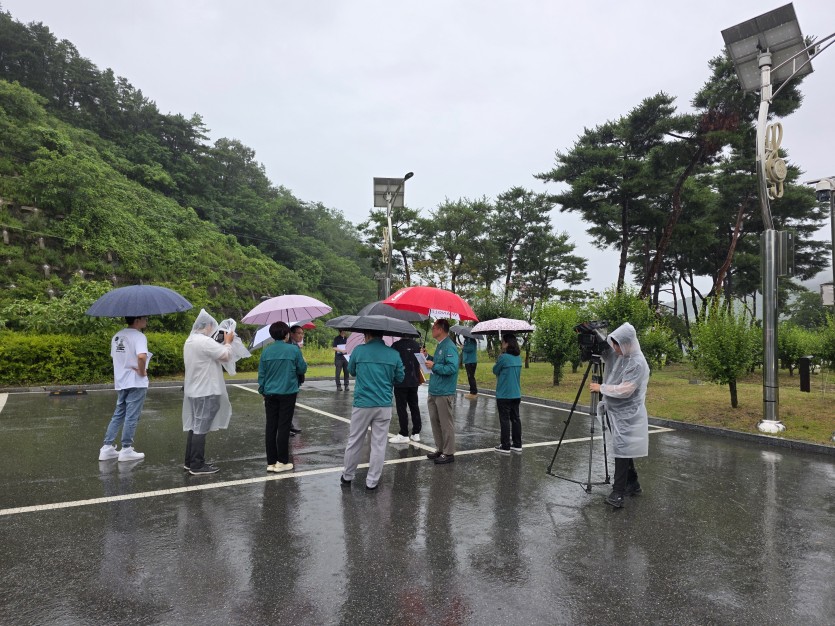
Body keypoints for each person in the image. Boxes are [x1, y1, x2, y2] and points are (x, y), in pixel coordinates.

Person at [589, 322, 650, 509]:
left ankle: (618, 493)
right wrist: (594, 335)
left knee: (622, 450)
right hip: (615, 411)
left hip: (627, 414)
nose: (614, 349)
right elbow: (607, 355)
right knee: (624, 447)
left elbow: (626, 390)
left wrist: (601, 388)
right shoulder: (622, 355)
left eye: (617, 345)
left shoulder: (637, 362)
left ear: (627, 342)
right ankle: (633, 483)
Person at [340, 330, 404, 490]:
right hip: (383, 404)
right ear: (382, 336)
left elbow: (352, 371)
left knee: (355, 440)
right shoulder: (394, 354)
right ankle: (372, 481)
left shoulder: (359, 350)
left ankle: (347, 476)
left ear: (367, 335)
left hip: (362, 403)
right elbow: (400, 378)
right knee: (379, 444)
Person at [182, 309, 234, 475]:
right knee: (201, 427)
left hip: (194, 390)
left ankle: (190, 461)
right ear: (208, 326)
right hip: (206, 390)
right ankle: (197, 465)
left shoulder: (190, 340)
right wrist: (228, 342)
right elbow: (225, 355)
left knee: (195, 425)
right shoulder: (204, 341)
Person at [98, 316, 150, 462]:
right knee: (132, 416)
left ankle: (107, 448)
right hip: (136, 381)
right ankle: (126, 449)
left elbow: (116, 357)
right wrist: (142, 371)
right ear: (137, 320)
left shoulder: (117, 336)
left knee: (119, 414)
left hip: (121, 381)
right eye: (145, 318)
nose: (146, 321)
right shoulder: (139, 336)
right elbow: (141, 357)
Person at [258, 321, 308, 473]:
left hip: (270, 393)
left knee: (271, 426)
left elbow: (262, 374)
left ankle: (271, 462)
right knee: (284, 427)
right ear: (287, 334)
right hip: (288, 392)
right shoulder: (293, 350)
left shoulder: (266, 351)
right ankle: (282, 461)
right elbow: (302, 369)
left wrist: (263, 390)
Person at [421, 319, 459, 465]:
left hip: (444, 391)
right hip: (434, 389)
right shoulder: (440, 345)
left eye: (434, 328)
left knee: (445, 423)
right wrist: (428, 357)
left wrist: (434, 366)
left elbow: (452, 368)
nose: (432, 330)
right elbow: (438, 362)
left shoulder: (449, 347)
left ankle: (448, 452)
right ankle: (440, 448)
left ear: (441, 329)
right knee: (435, 421)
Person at [389, 335, 423, 444]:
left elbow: (392, 362)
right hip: (414, 380)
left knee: (401, 408)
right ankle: (416, 433)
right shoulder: (417, 345)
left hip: (401, 381)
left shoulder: (396, 346)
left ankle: (404, 433)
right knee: (414, 406)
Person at [493, 333, 523, 454]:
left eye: (502, 342)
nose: (501, 344)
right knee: (516, 419)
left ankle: (505, 445)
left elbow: (495, 370)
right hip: (516, 393)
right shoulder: (518, 357)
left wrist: (499, 358)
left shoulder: (503, 358)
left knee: (504, 419)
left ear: (506, 343)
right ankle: (517, 444)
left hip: (504, 394)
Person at [287, 324, 305, 434]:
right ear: (291, 334)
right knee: (288, 405)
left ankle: (289, 424)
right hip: (291, 379)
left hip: (296, 379)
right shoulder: (290, 346)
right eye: (299, 333)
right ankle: (287, 426)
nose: (301, 335)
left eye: (302, 333)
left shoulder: (296, 345)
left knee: (291, 405)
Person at [462, 335, 479, 399]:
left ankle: (473, 392)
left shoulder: (471, 340)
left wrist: (463, 348)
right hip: (468, 361)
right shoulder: (467, 340)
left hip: (470, 361)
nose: (462, 335)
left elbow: (470, 349)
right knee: (470, 377)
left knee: (471, 377)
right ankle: (472, 391)